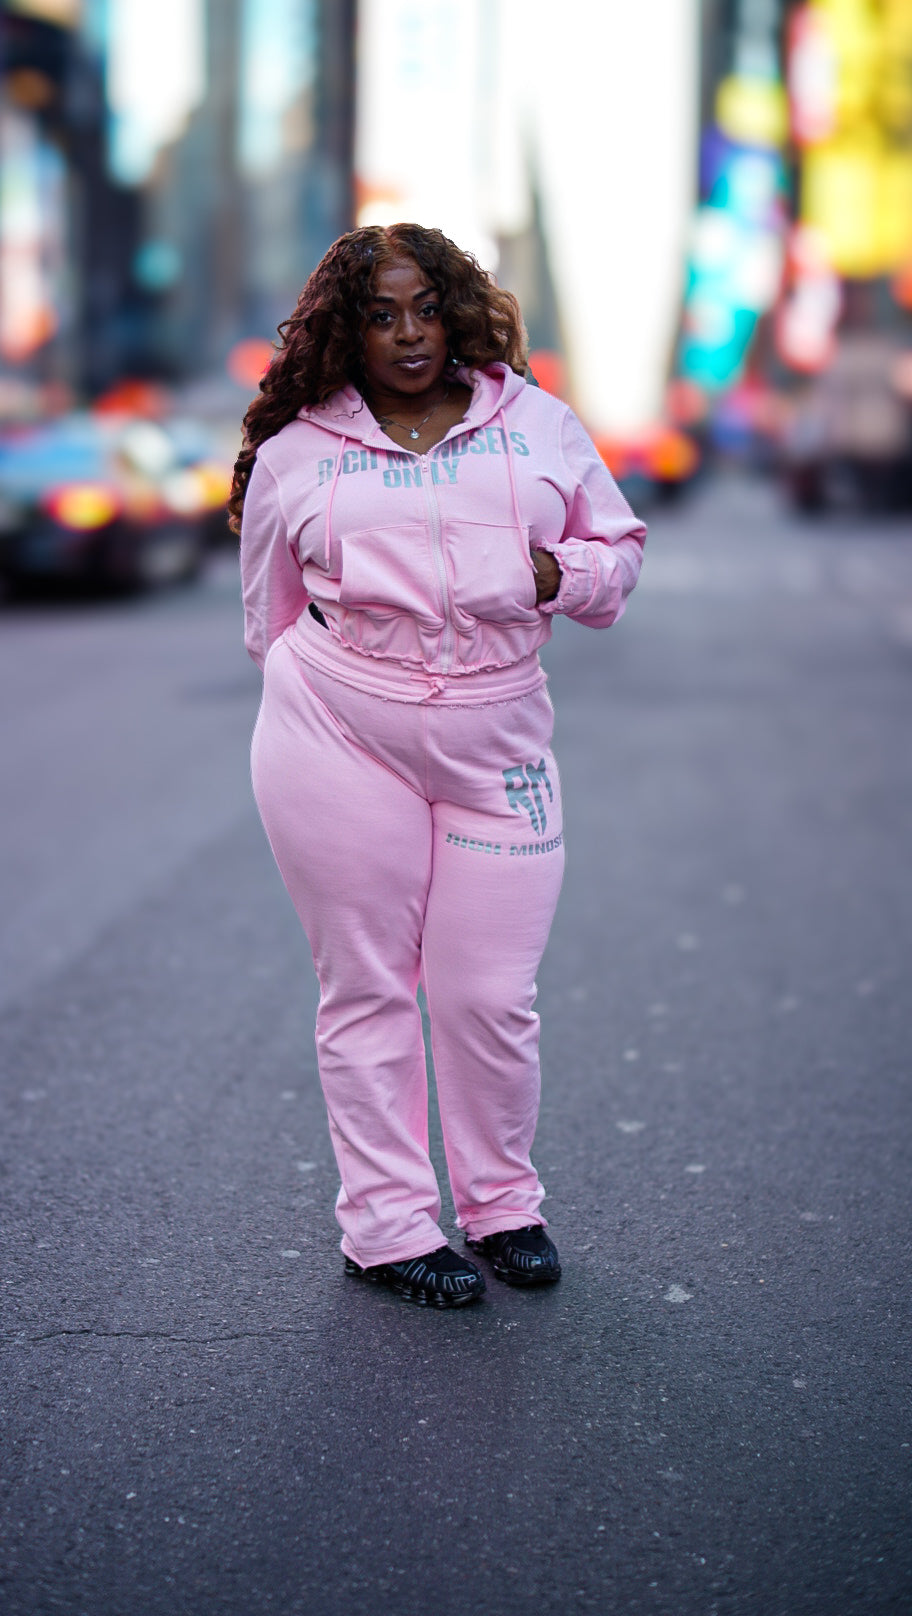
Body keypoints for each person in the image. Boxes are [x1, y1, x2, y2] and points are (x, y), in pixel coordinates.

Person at [232, 223, 645, 1309]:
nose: (408, 333)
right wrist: (349, 682)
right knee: (365, 985)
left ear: (455, 310)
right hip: (337, 729)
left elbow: (622, 553)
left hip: (499, 734)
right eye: (380, 314)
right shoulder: (295, 454)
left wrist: (562, 572)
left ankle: (503, 1203)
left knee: (488, 991)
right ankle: (387, 1225)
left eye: (424, 308)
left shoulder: (539, 424)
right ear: (346, 331)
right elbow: (268, 615)